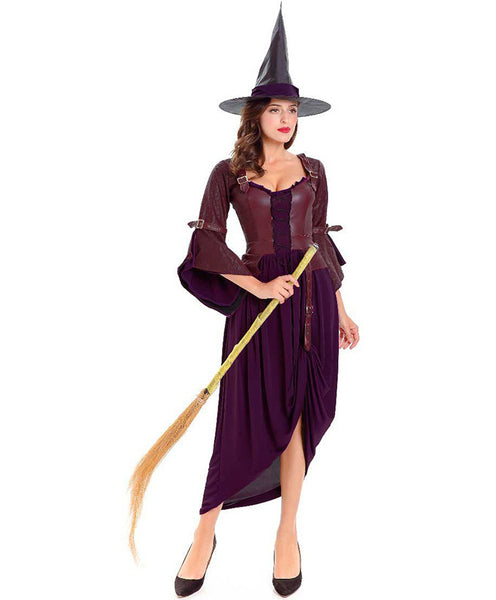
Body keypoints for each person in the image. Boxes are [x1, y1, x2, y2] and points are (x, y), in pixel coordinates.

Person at [174, 6, 359, 597]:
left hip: (310, 303)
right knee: (239, 417)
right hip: (257, 303)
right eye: (276, 110)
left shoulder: (315, 170)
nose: (286, 120)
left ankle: (287, 533)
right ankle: (205, 532)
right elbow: (207, 239)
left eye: (293, 111)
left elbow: (319, 240)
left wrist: (342, 308)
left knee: (299, 416)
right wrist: (255, 286)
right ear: (255, 116)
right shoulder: (227, 172)